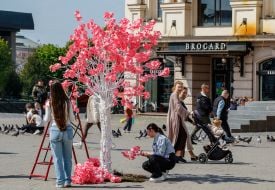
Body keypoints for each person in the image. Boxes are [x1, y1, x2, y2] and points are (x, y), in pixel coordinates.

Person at [44, 80, 76, 188]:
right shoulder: (67, 101)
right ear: (62, 89)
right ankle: (68, 181)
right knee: (68, 157)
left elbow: (47, 119)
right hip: (67, 130)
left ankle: (60, 181)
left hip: (55, 130)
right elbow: (72, 119)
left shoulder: (50, 102)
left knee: (57, 158)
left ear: (51, 91)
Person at [167, 81, 190, 163]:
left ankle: (177, 155)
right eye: (178, 87)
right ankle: (175, 155)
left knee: (181, 135)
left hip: (177, 118)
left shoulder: (175, 95)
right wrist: (188, 113)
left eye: (181, 87)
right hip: (175, 119)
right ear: (175, 87)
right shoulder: (174, 95)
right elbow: (178, 107)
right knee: (180, 135)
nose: (180, 88)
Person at [178, 87, 198, 161]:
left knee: (186, 138)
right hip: (178, 123)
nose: (185, 95)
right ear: (179, 92)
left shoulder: (181, 102)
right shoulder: (178, 101)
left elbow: (185, 115)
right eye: (183, 93)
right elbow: (183, 113)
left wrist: (192, 122)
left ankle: (189, 155)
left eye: (186, 93)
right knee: (183, 138)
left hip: (181, 122)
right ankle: (180, 156)